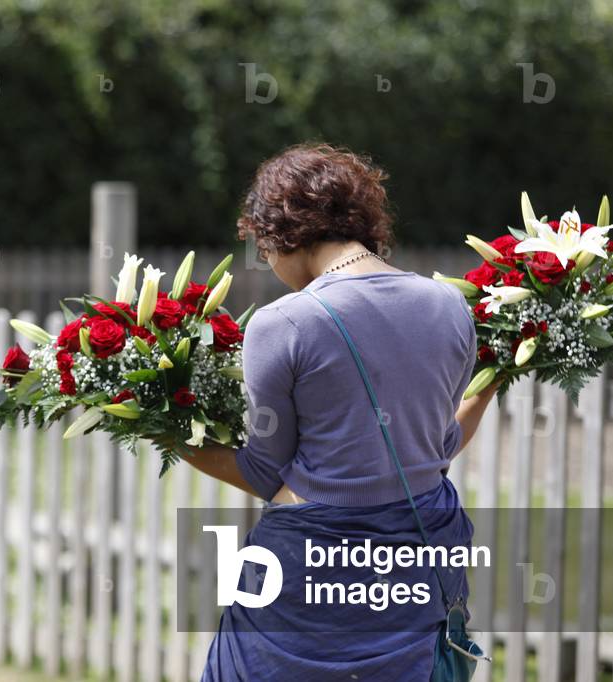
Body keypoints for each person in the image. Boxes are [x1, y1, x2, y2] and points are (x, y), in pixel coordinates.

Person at [166, 143, 499, 681]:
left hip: (311, 579)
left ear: (284, 231)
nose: (270, 265)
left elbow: (264, 471)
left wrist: (163, 430)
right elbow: (437, 448)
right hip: (419, 562)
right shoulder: (449, 305)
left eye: (264, 249)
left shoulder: (284, 323)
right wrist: (488, 388)